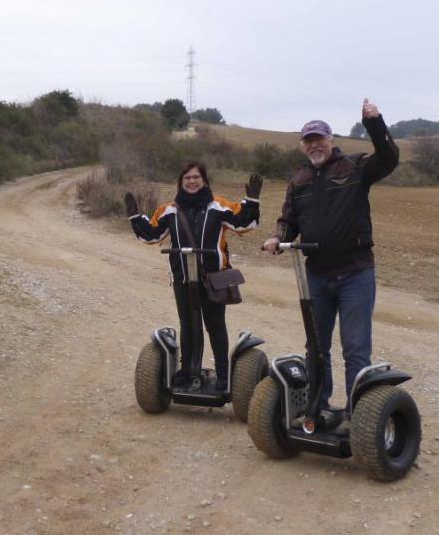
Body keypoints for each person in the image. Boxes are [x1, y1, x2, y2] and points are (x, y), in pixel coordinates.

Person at [262, 98, 399, 434]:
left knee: (355, 349)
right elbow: (288, 222)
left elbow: (389, 159)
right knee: (316, 346)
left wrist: (375, 124)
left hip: (355, 272)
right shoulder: (299, 182)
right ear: (303, 146)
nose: (315, 145)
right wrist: (277, 239)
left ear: (331, 140)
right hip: (317, 276)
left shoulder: (354, 168)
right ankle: (318, 408)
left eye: (319, 139)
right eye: (309, 141)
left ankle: (358, 416)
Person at [125, 162, 263, 390]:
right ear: (181, 182)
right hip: (182, 279)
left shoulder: (218, 206)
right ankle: (189, 372)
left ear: (204, 181)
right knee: (188, 325)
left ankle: (222, 376)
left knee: (215, 325)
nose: (191, 181)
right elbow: (151, 235)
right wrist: (135, 217)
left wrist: (252, 202)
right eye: (187, 178)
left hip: (213, 279)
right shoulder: (169, 210)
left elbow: (243, 224)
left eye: (196, 177)